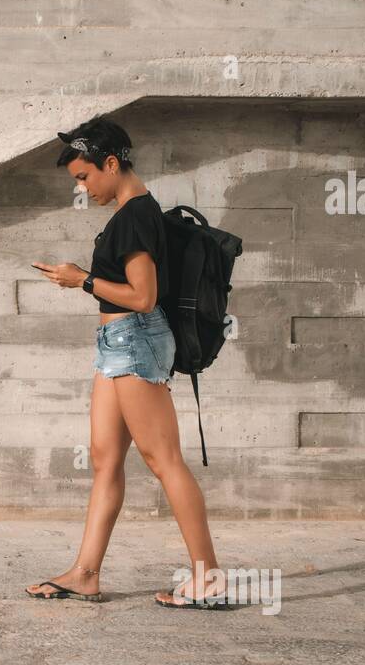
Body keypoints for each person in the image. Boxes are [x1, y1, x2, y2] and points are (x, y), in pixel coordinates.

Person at [27, 116, 228, 609]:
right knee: (105, 459)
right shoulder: (130, 213)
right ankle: (85, 573)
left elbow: (143, 296)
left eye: (84, 176)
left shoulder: (137, 214)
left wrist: (83, 281)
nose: (82, 187)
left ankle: (209, 578)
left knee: (164, 461)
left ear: (110, 163)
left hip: (136, 340)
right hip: (115, 344)